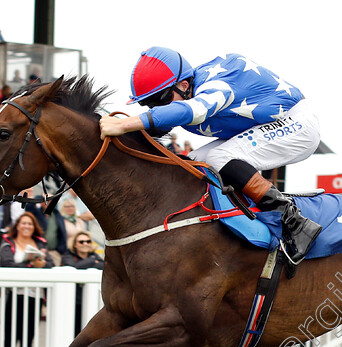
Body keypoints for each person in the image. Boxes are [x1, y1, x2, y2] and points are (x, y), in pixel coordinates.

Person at [99, 46, 322, 264]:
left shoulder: (215, 86)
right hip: (267, 124)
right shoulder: (186, 91)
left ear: (184, 85)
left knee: (219, 158)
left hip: (297, 124)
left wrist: (124, 124)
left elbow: (192, 110)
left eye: (160, 100)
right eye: (149, 104)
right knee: (191, 164)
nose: (156, 108)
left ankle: (296, 223)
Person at [0, 212, 54, 347]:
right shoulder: (8, 242)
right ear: (18, 226)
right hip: (15, 296)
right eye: (23, 223)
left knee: (27, 339)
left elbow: (51, 264)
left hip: (34, 297)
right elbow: (6, 264)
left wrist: (43, 265)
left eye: (30, 224)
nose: (27, 226)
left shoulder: (41, 243)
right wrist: (30, 265)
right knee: (10, 338)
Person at [61, 231, 104, 335]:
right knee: (72, 331)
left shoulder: (94, 255)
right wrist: (92, 261)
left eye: (88, 241)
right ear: (75, 244)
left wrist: (87, 262)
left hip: (90, 300)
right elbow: (72, 266)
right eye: (81, 242)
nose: (85, 244)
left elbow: (104, 266)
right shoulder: (68, 255)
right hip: (71, 301)